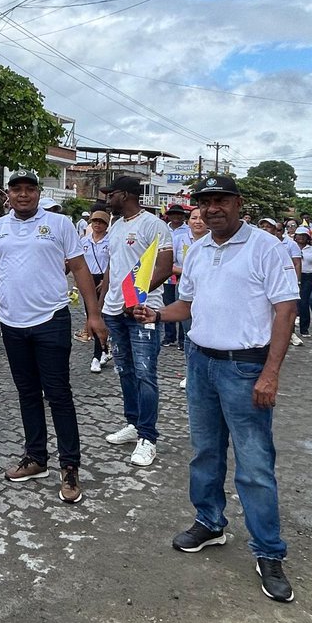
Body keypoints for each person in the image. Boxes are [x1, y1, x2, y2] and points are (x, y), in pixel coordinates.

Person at [134, 174, 298, 603]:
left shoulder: (266, 246)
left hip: (246, 368)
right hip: (200, 363)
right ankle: (209, 522)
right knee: (205, 451)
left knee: (254, 464)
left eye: (221, 200)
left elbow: (285, 310)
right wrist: (156, 315)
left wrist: (271, 373)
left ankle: (268, 552)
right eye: (205, 202)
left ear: (238, 203)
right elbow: (188, 305)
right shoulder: (199, 250)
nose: (212, 209)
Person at [0, 169, 107, 504]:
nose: (23, 194)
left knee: (58, 394)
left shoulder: (59, 224)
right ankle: (36, 457)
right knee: (27, 392)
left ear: (38, 193)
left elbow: (79, 268)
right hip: (11, 322)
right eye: (17, 189)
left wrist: (93, 314)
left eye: (30, 189)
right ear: (8, 195)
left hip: (51, 319)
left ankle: (69, 466)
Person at [97, 175, 174, 468]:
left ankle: (148, 437)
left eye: (111, 194)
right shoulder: (116, 226)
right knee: (125, 371)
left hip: (143, 312)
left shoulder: (154, 225)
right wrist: (100, 306)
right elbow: (112, 268)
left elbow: (164, 267)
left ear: (126, 195)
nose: (108, 199)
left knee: (145, 373)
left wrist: (136, 297)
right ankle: (133, 423)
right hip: (115, 311)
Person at [79, 207, 111, 372]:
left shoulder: (110, 241)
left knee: (100, 316)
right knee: (91, 315)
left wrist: (106, 281)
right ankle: (104, 349)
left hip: (104, 279)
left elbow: (113, 263)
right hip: (88, 279)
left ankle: (97, 355)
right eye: (95, 221)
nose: (98, 224)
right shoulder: (84, 241)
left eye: (101, 222)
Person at [162, 204, 192, 350]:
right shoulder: (164, 228)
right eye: (173, 214)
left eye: (179, 215)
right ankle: (169, 336)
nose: (176, 217)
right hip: (169, 274)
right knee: (168, 304)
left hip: (184, 275)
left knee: (182, 304)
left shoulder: (187, 231)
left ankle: (182, 339)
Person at [293, 227, 312, 337]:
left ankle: (304, 328)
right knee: (293, 302)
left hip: (307, 276)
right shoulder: (291, 247)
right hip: (292, 275)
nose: (301, 237)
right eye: (299, 235)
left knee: (304, 302)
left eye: (303, 235)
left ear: (308, 237)